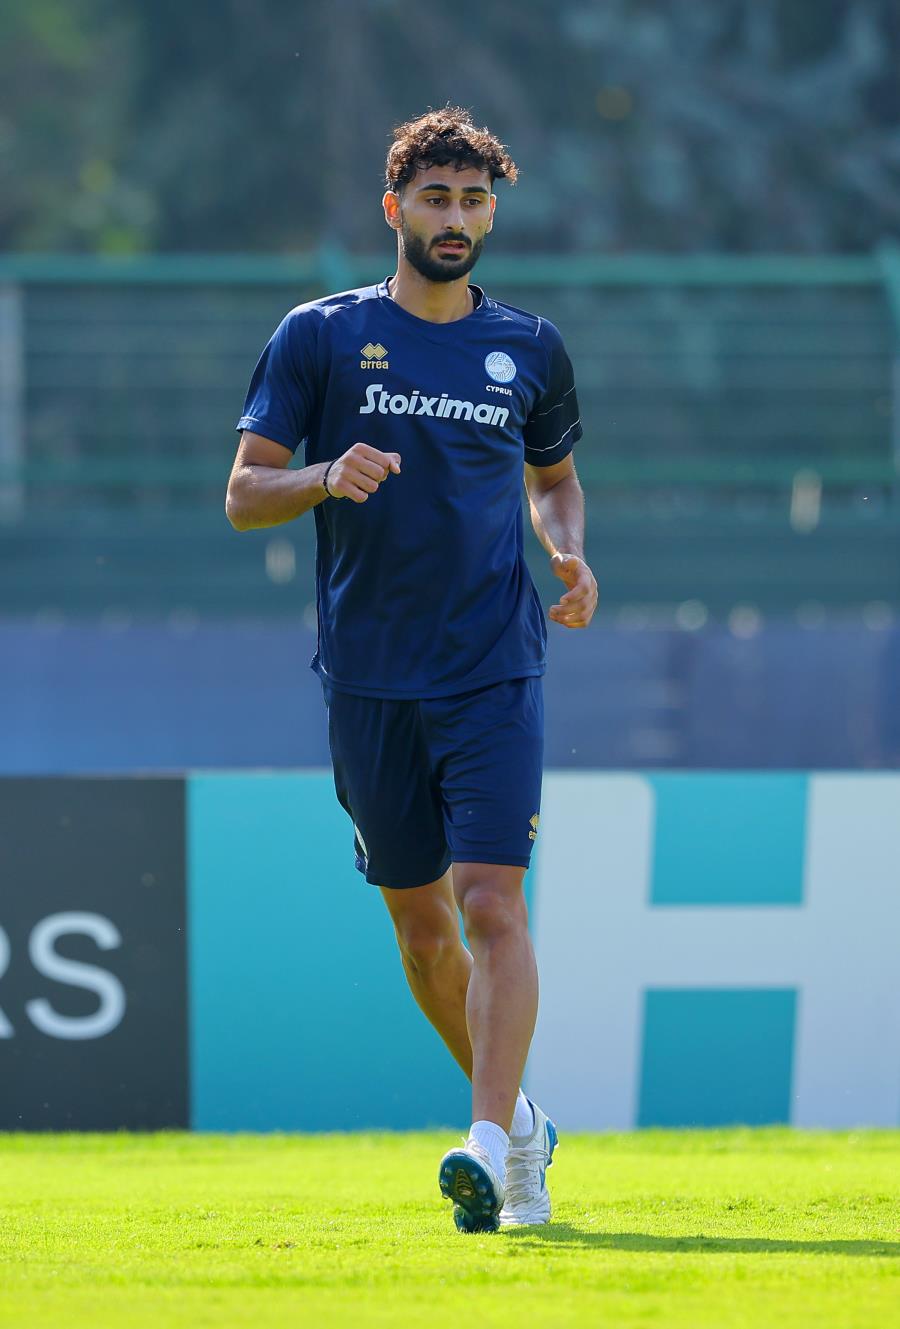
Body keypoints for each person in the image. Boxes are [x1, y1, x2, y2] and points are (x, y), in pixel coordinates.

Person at [226, 107, 598, 1233]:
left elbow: (554, 479)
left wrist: (568, 549)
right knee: (425, 933)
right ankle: (522, 1124)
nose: (457, 219)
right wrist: (323, 474)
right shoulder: (320, 337)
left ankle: (488, 1147)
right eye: (437, 198)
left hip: (493, 666)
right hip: (369, 677)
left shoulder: (530, 347)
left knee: (492, 902)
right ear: (395, 209)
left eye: (475, 201)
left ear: (492, 215)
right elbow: (244, 494)